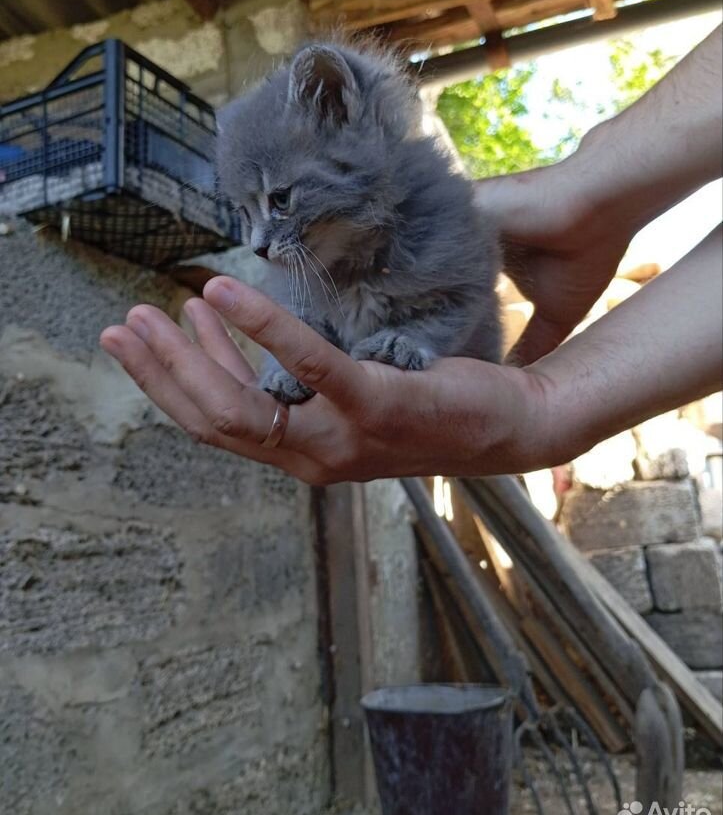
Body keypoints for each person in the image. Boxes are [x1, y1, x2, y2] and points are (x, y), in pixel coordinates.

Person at [100, 25, 722, 486]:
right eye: (247, 213)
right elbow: (299, 322)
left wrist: (527, 398)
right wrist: (588, 192)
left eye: (279, 201)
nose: (259, 241)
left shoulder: (438, 220)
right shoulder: (306, 263)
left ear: (338, 108)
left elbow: (463, 295)